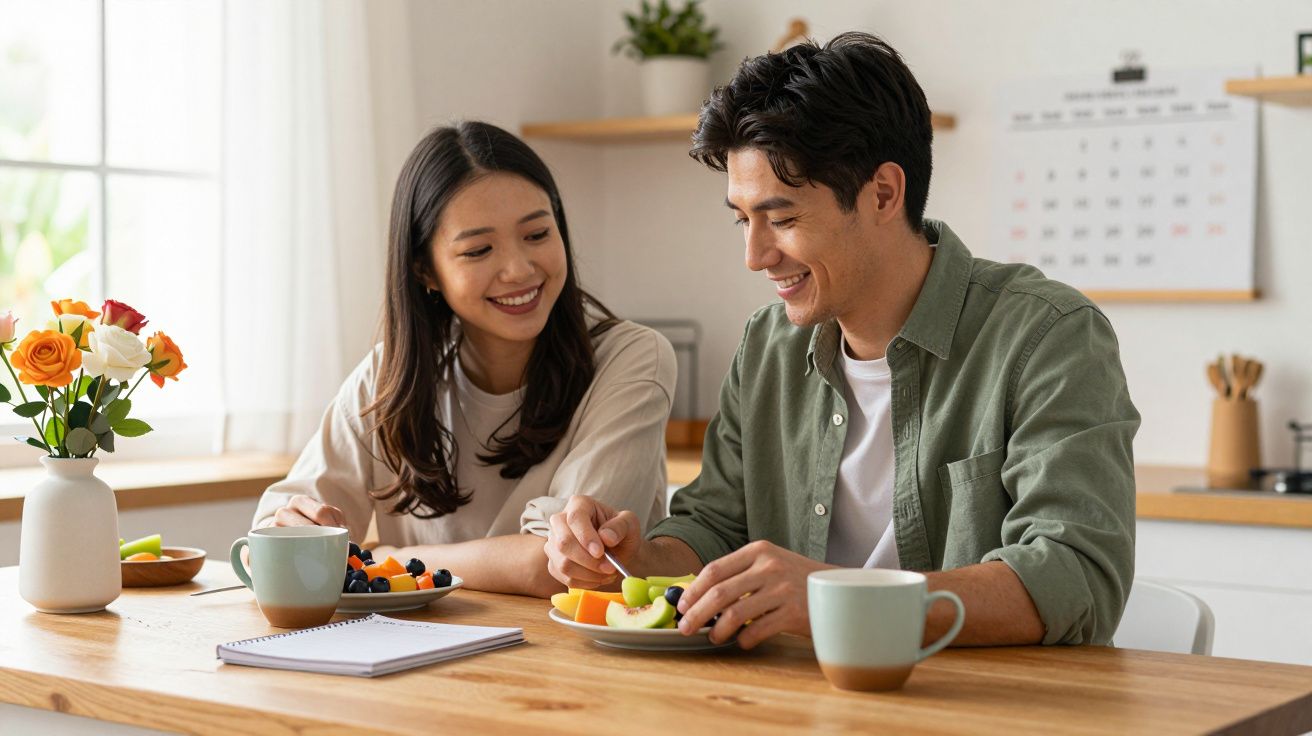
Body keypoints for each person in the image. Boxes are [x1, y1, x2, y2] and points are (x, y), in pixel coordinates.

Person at [545, 32, 1139, 649]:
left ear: (883, 193)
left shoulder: (1047, 336)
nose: (755, 256)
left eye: (782, 219)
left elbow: (1076, 578)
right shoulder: (768, 345)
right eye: (742, 220)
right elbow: (715, 526)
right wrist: (640, 558)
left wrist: (838, 596)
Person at [252, 121, 675, 598]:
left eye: (537, 234)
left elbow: (564, 563)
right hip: (415, 657)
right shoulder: (390, 375)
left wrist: (380, 559)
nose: (519, 269)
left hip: (575, 656)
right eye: (478, 250)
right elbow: (270, 535)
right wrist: (284, 528)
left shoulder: (632, 357)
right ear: (425, 270)